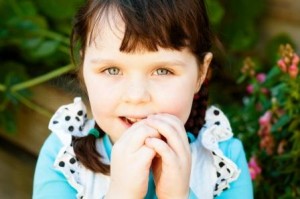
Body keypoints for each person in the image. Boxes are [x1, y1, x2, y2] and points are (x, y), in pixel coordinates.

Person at [33, 0, 253, 198]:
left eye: (162, 71)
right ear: (84, 69)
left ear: (201, 74)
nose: (136, 96)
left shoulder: (223, 162)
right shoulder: (64, 157)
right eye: (111, 70)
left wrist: (179, 195)